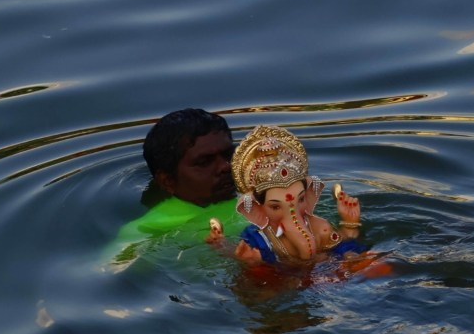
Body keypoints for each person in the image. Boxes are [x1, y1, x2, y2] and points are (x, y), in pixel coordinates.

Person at [206, 125, 366, 266]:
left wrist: (350, 226)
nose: (292, 213)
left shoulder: (320, 227)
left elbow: (343, 247)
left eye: (301, 199)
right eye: (275, 206)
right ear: (257, 209)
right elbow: (245, 260)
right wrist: (226, 248)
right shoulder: (258, 239)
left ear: (310, 196)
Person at [107, 108, 246, 264]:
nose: (226, 167)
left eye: (229, 154)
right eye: (204, 162)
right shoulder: (150, 229)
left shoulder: (261, 191)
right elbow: (107, 270)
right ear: (168, 181)